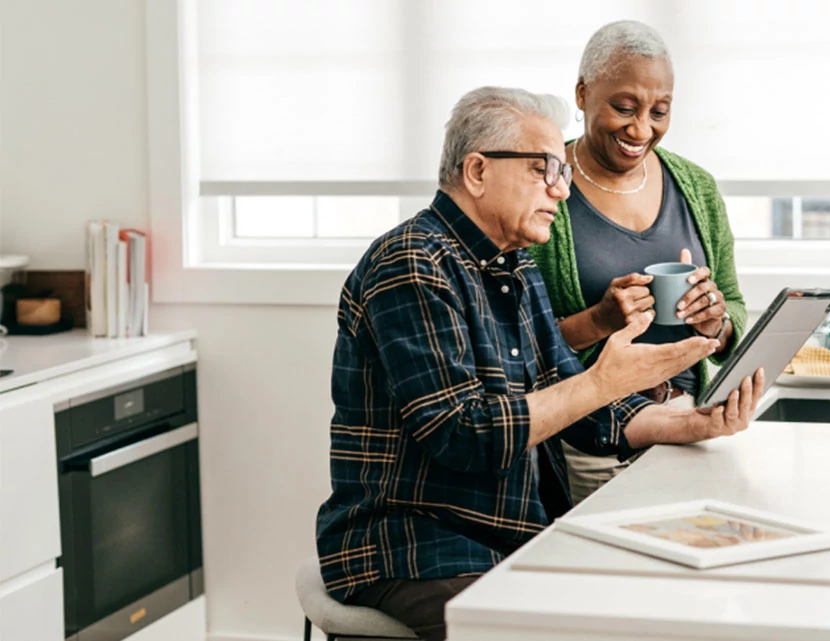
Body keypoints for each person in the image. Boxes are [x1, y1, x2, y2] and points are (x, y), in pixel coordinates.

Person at [315, 85, 764, 641]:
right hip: (414, 543)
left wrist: (690, 423)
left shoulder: (515, 265)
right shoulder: (412, 263)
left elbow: (572, 396)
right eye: (544, 169)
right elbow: (464, 435)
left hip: (508, 534)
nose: (560, 189)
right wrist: (604, 380)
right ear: (478, 171)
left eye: (563, 174)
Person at [528, 20, 747, 504]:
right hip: (592, 442)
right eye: (624, 108)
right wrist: (600, 320)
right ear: (583, 94)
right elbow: (518, 349)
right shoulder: (543, 190)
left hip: (693, 423)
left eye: (660, 111)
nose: (641, 128)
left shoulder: (698, 187)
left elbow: (733, 303)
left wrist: (718, 322)